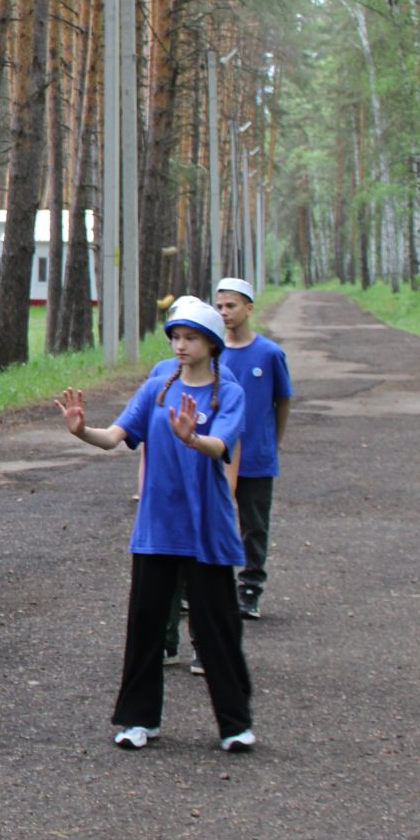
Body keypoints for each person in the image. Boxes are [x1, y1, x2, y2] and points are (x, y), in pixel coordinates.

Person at [57, 299, 256, 753]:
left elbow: (220, 444)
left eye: (191, 338)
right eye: (176, 338)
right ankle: (137, 719)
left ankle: (235, 724)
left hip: (206, 528)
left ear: (211, 343)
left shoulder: (230, 392)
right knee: (145, 625)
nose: (181, 346)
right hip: (158, 528)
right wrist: (81, 431)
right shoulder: (155, 389)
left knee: (217, 628)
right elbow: (114, 437)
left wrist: (193, 437)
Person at [215, 277, 291, 620]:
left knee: (254, 524)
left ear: (249, 308)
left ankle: (249, 587)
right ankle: (201, 587)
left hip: (257, 456)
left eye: (231, 305)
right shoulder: (214, 351)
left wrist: (273, 442)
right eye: (219, 307)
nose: (225, 312)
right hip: (217, 452)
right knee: (211, 518)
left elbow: (282, 399)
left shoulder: (270, 354)